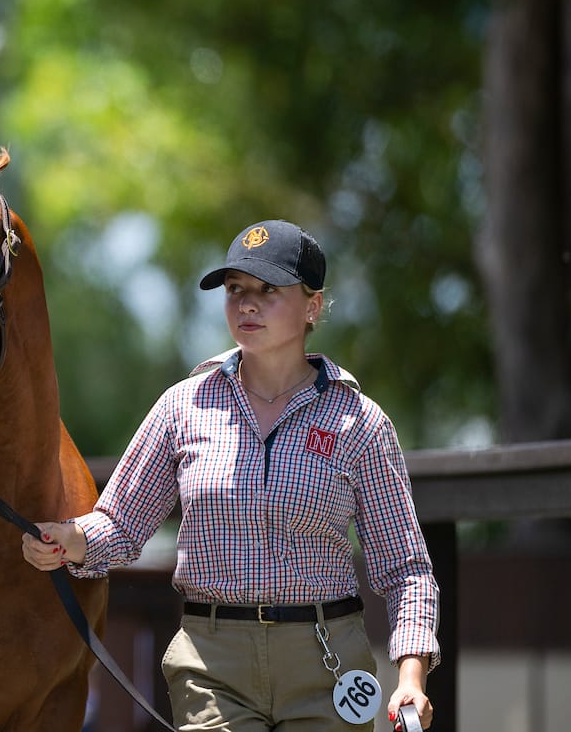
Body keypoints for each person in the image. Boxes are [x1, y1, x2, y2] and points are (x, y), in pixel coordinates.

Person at [23, 220, 439, 731]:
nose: (247, 304)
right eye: (236, 289)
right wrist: (72, 540)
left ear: (312, 306)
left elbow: (405, 569)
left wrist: (411, 678)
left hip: (328, 663)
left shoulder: (361, 422)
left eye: (268, 290)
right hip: (211, 664)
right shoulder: (182, 406)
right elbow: (122, 526)